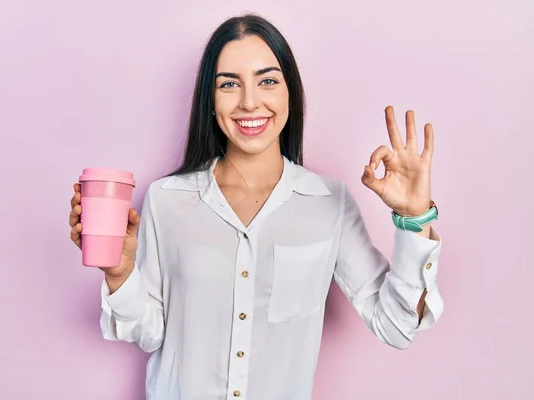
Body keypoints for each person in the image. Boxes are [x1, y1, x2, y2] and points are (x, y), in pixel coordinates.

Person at [68, 13, 443, 400]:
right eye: (229, 84)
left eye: (267, 81)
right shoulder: (167, 199)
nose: (249, 102)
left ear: (289, 94)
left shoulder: (330, 203)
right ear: (209, 101)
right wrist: (120, 272)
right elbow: (149, 334)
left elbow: (398, 326)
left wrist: (416, 219)